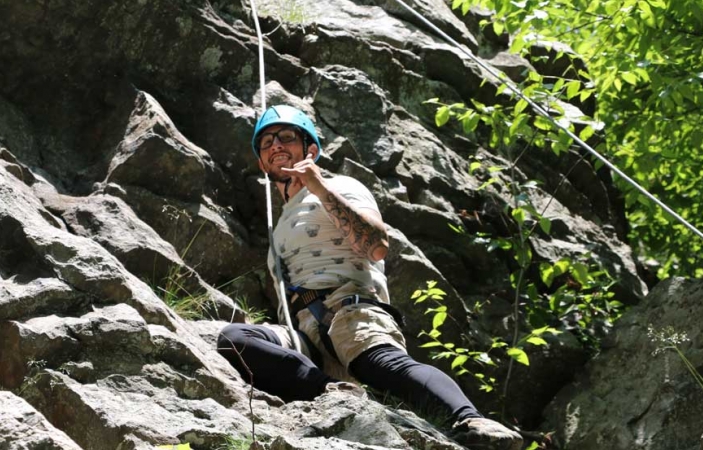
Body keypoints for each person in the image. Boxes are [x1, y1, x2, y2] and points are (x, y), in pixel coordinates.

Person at [217, 105, 522, 450]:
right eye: (267, 142)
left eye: (287, 137)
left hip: (351, 310)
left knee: (381, 364)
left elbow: (376, 246)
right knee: (235, 338)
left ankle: (470, 418)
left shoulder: (341, 186)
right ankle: (334, 392)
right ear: (261, 162)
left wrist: (319, 186)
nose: (276, 145)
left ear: (311, 150)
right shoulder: (281, 223)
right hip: (305, 332)